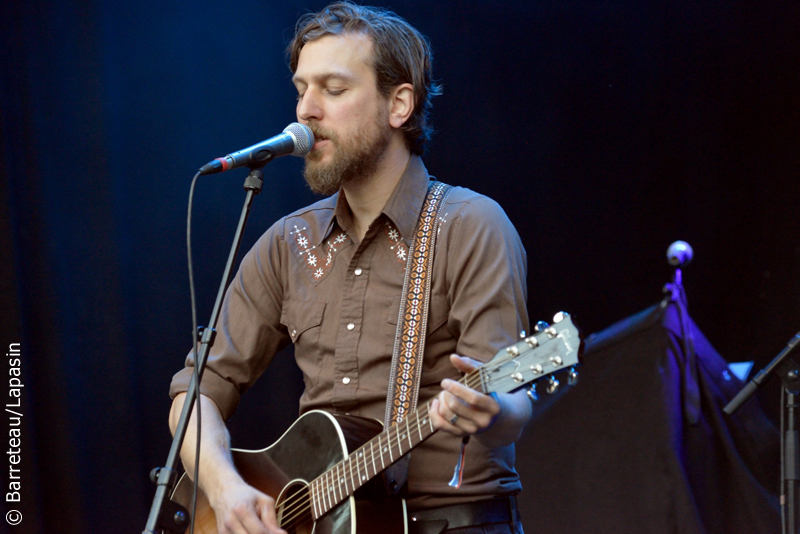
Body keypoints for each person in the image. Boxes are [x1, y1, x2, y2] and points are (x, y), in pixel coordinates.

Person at [169, 3, 531, 533]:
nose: (306, 112)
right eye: (301, 90)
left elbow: (512, 401)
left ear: (399, 104)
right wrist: (226, 491)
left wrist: (493, 411)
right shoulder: (286, 243)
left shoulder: (470, 225)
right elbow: (196, 393)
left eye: (333, 90)